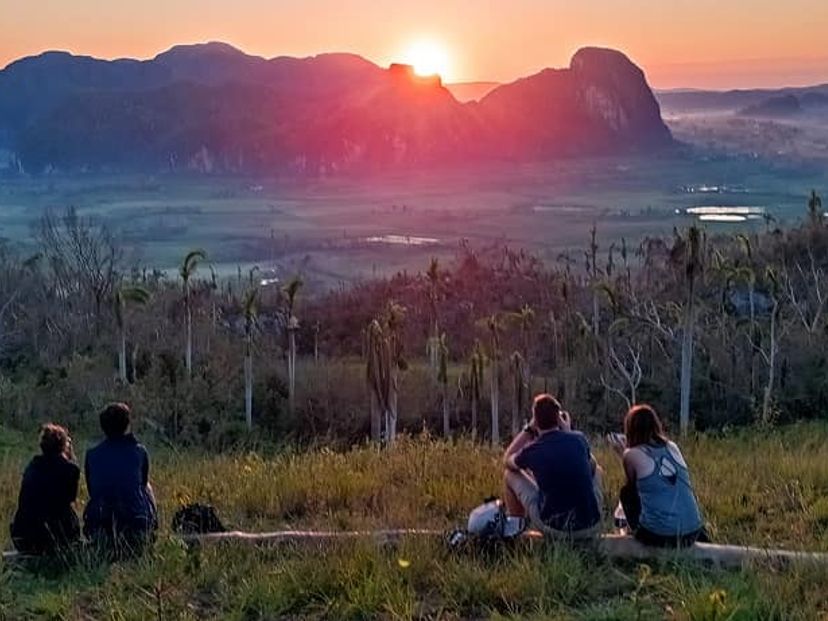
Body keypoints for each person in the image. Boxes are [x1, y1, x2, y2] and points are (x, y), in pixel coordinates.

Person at [503, 394, 603, 538]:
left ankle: (516, 529)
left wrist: (528, 430)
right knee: (597, 470)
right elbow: (591, 465)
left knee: (509, 474)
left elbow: (507, 460)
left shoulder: (533, 450)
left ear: (535, 421)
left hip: (555, 528)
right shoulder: (579, 439)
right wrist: (568, 431)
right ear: (558, 418)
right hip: (591, 526)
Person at [615, 404, 706, 547]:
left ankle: (634, 532)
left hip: (660, 536)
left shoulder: (630, 454)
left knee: (626, 493)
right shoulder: (672, 446)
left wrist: (624, 452)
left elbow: (632, 485)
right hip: (694, 531)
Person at [84, 402, 158, 553]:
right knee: (147, 488)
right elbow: (143, 484)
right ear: (127, 424)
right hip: (137, 527)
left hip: (101, 528)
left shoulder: (92, 455)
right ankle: (151, 532)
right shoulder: (139, 452)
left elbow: (93, 491)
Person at [10, 424, 81, 554]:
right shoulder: (70, 469)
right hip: (56, 536)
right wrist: (70, 458)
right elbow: (70, 497)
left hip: (23, 536)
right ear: (63, 446)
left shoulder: (32, 467)